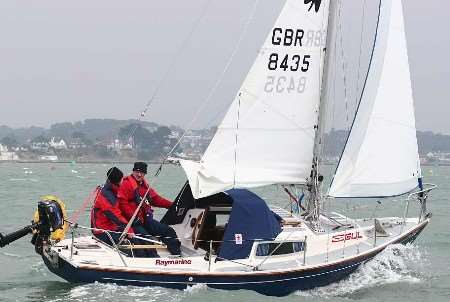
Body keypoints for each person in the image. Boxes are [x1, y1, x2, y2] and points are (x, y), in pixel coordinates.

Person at [118, 162, 181, 256]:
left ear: (145, 174)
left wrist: (173, 205)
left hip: (145, 220)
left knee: (168, 231)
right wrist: (134, 218)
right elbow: (122, 204)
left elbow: (156, 199)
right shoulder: (126, 184)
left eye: (142, 172)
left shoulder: (144, 185)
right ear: (133, 171)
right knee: (148, 241)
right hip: (133, 222)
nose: (139, 174)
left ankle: (178, 256)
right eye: (137, 171)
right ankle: (155, 261)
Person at [90, 167, 146, 257]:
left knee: (140, 239)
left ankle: (146, 257)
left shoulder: (111, 190)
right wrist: (129, 230)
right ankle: (139, 263)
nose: (123, 182)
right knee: (131, 246)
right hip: (102, 231)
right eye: (121, 180)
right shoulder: (105, 197)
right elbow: (116, 217)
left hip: (113, 228)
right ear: (116, 182)